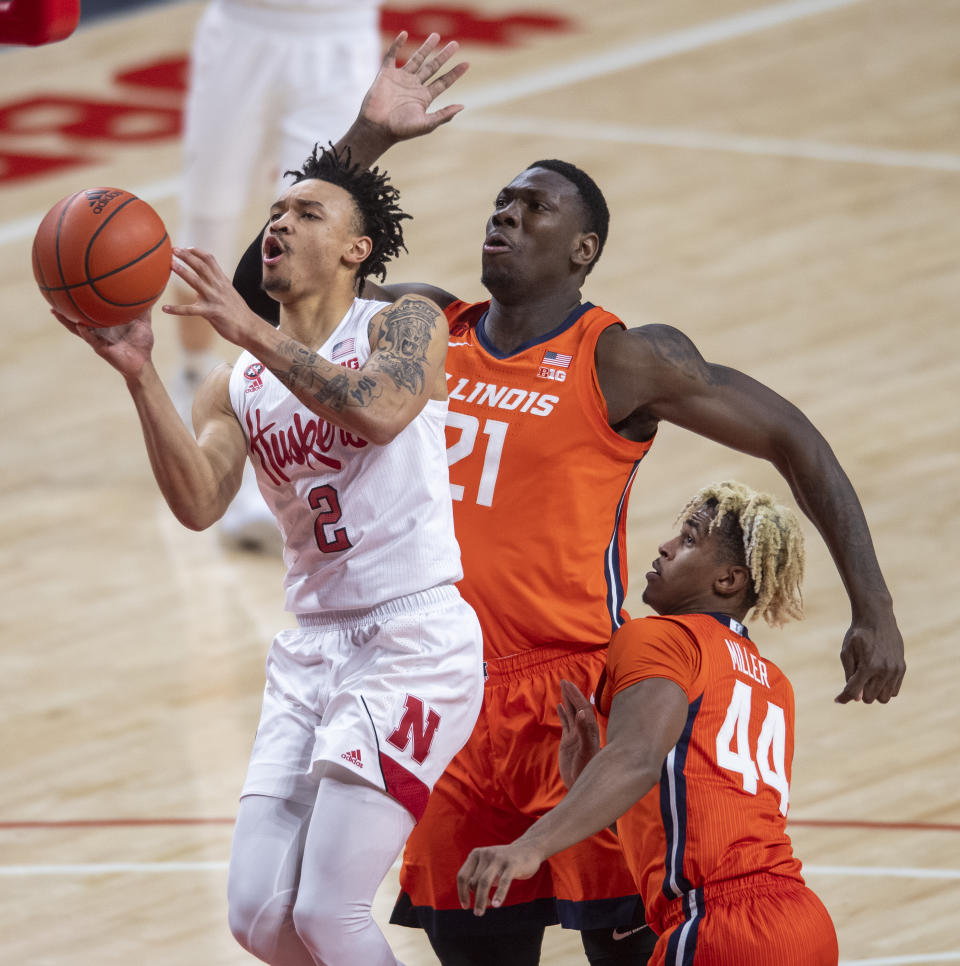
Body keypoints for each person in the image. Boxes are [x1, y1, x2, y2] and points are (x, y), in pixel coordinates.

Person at [231, 34, 905, 966]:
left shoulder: (624, 359)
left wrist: (873, 606)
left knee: (626, 952)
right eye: (500, 201)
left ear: (582, 249)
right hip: (444, 691)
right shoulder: (420, 325)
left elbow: (797, 437)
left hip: (577, 704)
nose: (503, 215)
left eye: (533, 207)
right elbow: (271, 286)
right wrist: (368, 137)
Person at [56, 144, 484, 966]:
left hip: (414, 643)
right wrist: (141, 374)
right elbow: (198, 504)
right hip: (313, 649)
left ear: (357, 250)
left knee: (330, 913)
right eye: (276, 214)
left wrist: (248, 327)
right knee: (259, 917)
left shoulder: (405, 323)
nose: (280, 222)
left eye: (307, 213)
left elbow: (386, 410)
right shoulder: (235, 384)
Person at [457, 481, 840, 966]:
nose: (665, 547)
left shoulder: (662, 636)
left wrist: (529, 847)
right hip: (802, 922)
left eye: (689, 539)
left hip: (720, 927)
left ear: (728, 580)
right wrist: (588, 779)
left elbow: (637, 760)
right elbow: (698, 801)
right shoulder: (772, 681)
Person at [172, 0, 383, 551]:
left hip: (336, 37)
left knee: (306, 253)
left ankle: (268, 456)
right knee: (205, 231)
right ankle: (197, 387)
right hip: (241, 28)